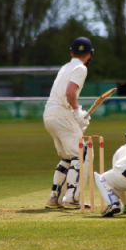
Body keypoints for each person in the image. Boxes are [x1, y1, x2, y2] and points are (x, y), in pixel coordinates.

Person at [44, 37, 94, 209]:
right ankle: (71, 198)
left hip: (49, 114)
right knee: (83, 153)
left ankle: (55, 198)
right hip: (61, 114)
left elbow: (63, 95)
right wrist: (78, 111)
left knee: (68, 156)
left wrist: (74, 114)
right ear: (89, 55)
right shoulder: (81, 68)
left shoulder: (65, 67)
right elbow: (70, 92)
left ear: (72, 52)